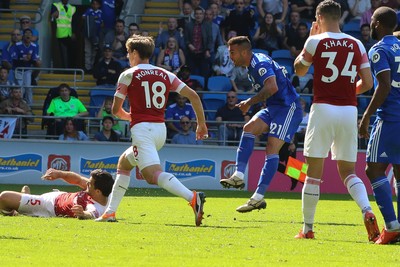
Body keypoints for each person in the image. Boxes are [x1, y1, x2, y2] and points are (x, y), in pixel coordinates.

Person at [95, 35, 209, 226]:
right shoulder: (166, 74)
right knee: (124, 163)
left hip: (143, 130)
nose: (128, 55)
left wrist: (130, 116)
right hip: (160, 131)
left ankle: (192, 197)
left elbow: (115, 110)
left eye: (128, 51)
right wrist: (202, 124)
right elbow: (194, 96)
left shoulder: (128, 74)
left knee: (152, 176)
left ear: (134, 52)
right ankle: (109, 212)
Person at [293, 0, 379, 241]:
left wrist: (306, 44)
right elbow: (369, 83)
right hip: (348, 111)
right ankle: (367, 210)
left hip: (322, 109)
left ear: (319, 18)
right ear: (339, 17)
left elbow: (299, 70)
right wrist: (349, 92)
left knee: (313, 173)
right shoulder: (356, 43)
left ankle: (308, 229)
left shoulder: (315, 41)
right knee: (349, 171)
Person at [219, 36, 303, 213]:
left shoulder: (259, 64)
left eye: (232, 53)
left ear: (243, 52)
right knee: (249, 129)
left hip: (288, 108)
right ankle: (238, 176)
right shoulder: (252, 66)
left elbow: (272, 87)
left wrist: (249, 102)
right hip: (275, 108)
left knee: (276, 153)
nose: (230, 57)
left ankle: (309, 180)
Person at [359, 6, 400, 245]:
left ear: (376, 24)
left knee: (373, 170)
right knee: (399, 171)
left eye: (373, 20)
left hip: (390, 118)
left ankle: (392, 226)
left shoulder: (379, 49)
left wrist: (366, 116)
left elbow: (383, 84)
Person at [0, 168, 114, 219]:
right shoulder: (99, 191)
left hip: (46, 205)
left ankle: (14, 212)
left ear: (98, 191)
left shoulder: (97, 207)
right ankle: (23, 199)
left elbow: (91, 214)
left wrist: (83, 214)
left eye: (89, 184)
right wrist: (59, 174)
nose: (86, 183)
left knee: (4, 197)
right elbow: (78, 180)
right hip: (58, 195)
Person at [12, 28, 41, 106]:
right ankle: (19, 105)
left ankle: (29, 106)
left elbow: (34, 59)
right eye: (26, 33)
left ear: (31, 36)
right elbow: (14, 59)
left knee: (28, 88)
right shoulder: (17, 45)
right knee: (20, 89)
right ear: (23, 36)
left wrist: (32, 59)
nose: (28, 35)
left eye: (30, 34)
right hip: (18, 70)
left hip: (27, 70)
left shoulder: (34, 46)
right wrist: (23, 59)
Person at [50, 0, 77, 68]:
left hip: (70, 34)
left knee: (72, 52)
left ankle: (71, 68)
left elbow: (74, 21)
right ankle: (65, 69)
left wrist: (73, 32)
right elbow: (52, 17)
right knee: (63, 53)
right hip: (61, 34)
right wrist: (53, 15)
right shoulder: (55, 5)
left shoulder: (72, 8)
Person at [82, 0, 103, 72]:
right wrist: (92, 18)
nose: (95, 5)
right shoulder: (89, 10)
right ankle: (87, 68)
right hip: (88, 35)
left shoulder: (101, 12)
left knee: (94, 53)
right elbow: (83, 17)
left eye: (96, 4)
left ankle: (92, 67)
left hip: (97, 35)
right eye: (93, 4)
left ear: (99, 5)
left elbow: (103, 23)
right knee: (88, 52)